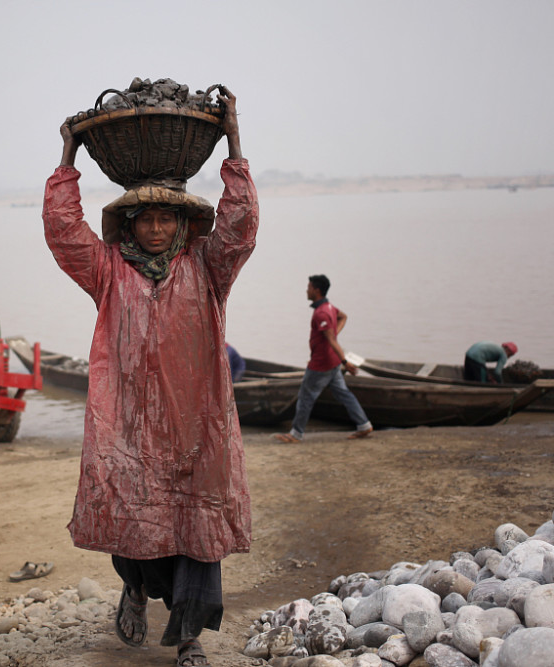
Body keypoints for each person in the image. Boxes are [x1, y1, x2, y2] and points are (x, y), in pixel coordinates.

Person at [43, 86, 257, 667]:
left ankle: (189, 638)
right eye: (147, 220)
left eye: (168, 218)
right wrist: (68, 157)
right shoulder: (108, 271)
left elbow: (240, 225)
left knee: (198, 533)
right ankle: (134, 590)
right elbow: (65, 234)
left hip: (197, 428)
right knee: (133, 524)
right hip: (129, 429)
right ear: (130, 225)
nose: (157, 229)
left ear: (184, 224)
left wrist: (233, 137)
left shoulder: (208, 268)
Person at [274, 274, 373, 443]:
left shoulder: (321, 313)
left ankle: (295, 434)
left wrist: (345, 361)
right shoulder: (329, 307)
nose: (307, 290)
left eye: (309, 287)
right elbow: (343, 317)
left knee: (305, 396)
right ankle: (364, 425)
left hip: (322, 364)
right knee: (344, 394)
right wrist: (335, 343)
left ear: (316, 290)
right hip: (332, 362)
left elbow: (332, 340)